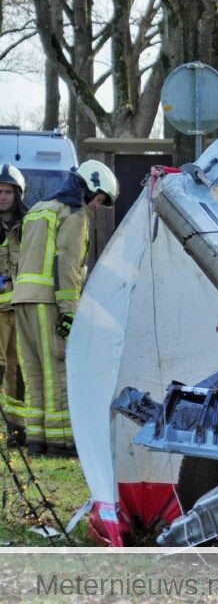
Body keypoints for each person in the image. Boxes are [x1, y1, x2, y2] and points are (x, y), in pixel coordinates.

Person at [11, 160, 118, 457]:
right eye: (99, 199)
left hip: (21, 299)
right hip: (48, 300)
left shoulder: (37, 209)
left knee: (32, 371)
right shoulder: (73, 212)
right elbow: (67, 264)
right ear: (88, 188)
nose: (97, 206)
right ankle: (61, 444)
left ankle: (36, 440)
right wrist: (69, 311)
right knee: (57, 368)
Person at [0, 164, 29, 447]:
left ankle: (16, 431)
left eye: (8, 191)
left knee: (17, 370)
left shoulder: (30, 224)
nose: (2, 196)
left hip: (20, 310)